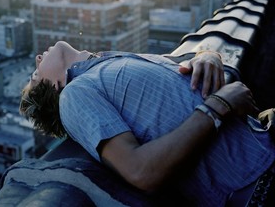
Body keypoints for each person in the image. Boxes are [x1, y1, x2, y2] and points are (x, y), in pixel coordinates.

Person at [20, 41, 275, 206]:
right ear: (55, 87)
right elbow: (140, 171)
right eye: (35, 74)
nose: (38, 58)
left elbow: (181, 66)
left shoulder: (107, 63)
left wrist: (208, 56)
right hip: (260, 183)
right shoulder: (74, 95)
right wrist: (219, 106)